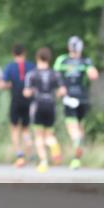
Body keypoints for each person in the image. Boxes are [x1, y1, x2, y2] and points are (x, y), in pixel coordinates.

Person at [54, 36, 99, 169]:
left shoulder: (62, 60)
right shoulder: (85, 61)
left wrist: (60, 88)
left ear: (69, 47)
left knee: (72, 128)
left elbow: (55, 75)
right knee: (80, 126)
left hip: (69, 97)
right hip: (83, 97)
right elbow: (94, 75)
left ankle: (76, 146)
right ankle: (77, 157)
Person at [23, 47, 65, 172]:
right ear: (49, 59)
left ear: (37, 58)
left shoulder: (32, 74)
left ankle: (44, 161)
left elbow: (26, 92)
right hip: (50, 105)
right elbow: (62, 91)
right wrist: (55, 96)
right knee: (49, 134)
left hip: (38, 105)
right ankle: (53, 145)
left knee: (38, 136)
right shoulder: (55, 74)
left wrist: (31, 92)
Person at [1, 44, 35, 167]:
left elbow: (2, 84)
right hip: (28, 101)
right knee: (26, 129)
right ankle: (30, 151)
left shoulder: (10, 67)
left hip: (15, 100)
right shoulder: (31, 66)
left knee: (15, 129)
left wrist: (9, 85)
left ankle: (19, 155)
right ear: (24, 53)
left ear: (13, 53)